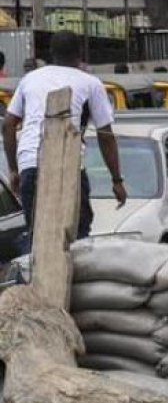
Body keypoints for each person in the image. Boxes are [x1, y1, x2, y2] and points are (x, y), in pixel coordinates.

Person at [3, 31, 126, 253]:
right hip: (69, 167)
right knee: (77, 236)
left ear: (51, 53)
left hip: (31, 165)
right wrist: (116, 180)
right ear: (80, 54)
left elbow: (8, 125)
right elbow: (105, 135)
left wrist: (13, 170)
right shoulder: (90, 83)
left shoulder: (30, 79)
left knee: (38, 237)